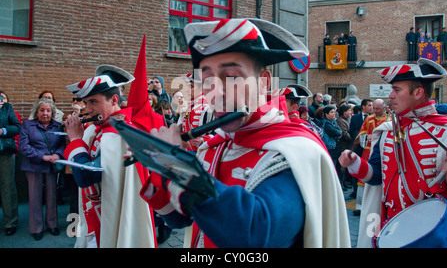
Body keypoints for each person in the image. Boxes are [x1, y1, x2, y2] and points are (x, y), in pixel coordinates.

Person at [140, 18, 350, 248]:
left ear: (263, 82)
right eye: (207, 79)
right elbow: (180, 220)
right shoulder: (215, 146)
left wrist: (178, 165)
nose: (216, 91)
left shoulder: (294, 152)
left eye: (231, 77)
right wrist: (158, 169)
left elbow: (255, 235)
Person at [339, 58, 447, 248]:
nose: (390, 95)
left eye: (397, 90)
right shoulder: (386, 131)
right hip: (391, 226)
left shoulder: (446, 131)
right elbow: (375, 177)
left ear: (418, 92)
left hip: (435, 233)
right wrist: (355, 162)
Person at [63, 65, 156, 248]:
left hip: (108, 216)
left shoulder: (119, 134)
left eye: (94, 102)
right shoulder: (99, 128)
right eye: (86, 102)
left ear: (114, 99)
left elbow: (85, 176)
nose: (87, 109)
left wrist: (75, 140)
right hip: (95, 213)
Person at [19, 98, 66, 240]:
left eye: (48, 110)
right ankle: (36, 228)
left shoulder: (58, 126)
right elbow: (24, 147)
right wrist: (42, 156)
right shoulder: (27, 125)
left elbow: (62, 144)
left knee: (52, 197)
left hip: (52, 166)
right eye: (42, 110)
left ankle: (52, 225)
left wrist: (58, 154)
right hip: (34, 166)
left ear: (52, 113)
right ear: (36, 112)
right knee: (35, 198)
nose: (45, 113)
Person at [0, 91, 21, 236]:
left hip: (5, 151)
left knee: (8, 186)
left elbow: (17, 127)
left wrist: (3, 130)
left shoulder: (7, 108)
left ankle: (10, 222)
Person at [321, 105, 343, 187]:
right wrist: (339, 132)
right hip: (330, 148)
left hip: (335, 147)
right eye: (331, 112)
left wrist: (339, 132)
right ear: (326, 114)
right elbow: (336, 132)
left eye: (334, 112)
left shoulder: (334, 121)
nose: (334, 114)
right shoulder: (326, 123)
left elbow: (340, 131)